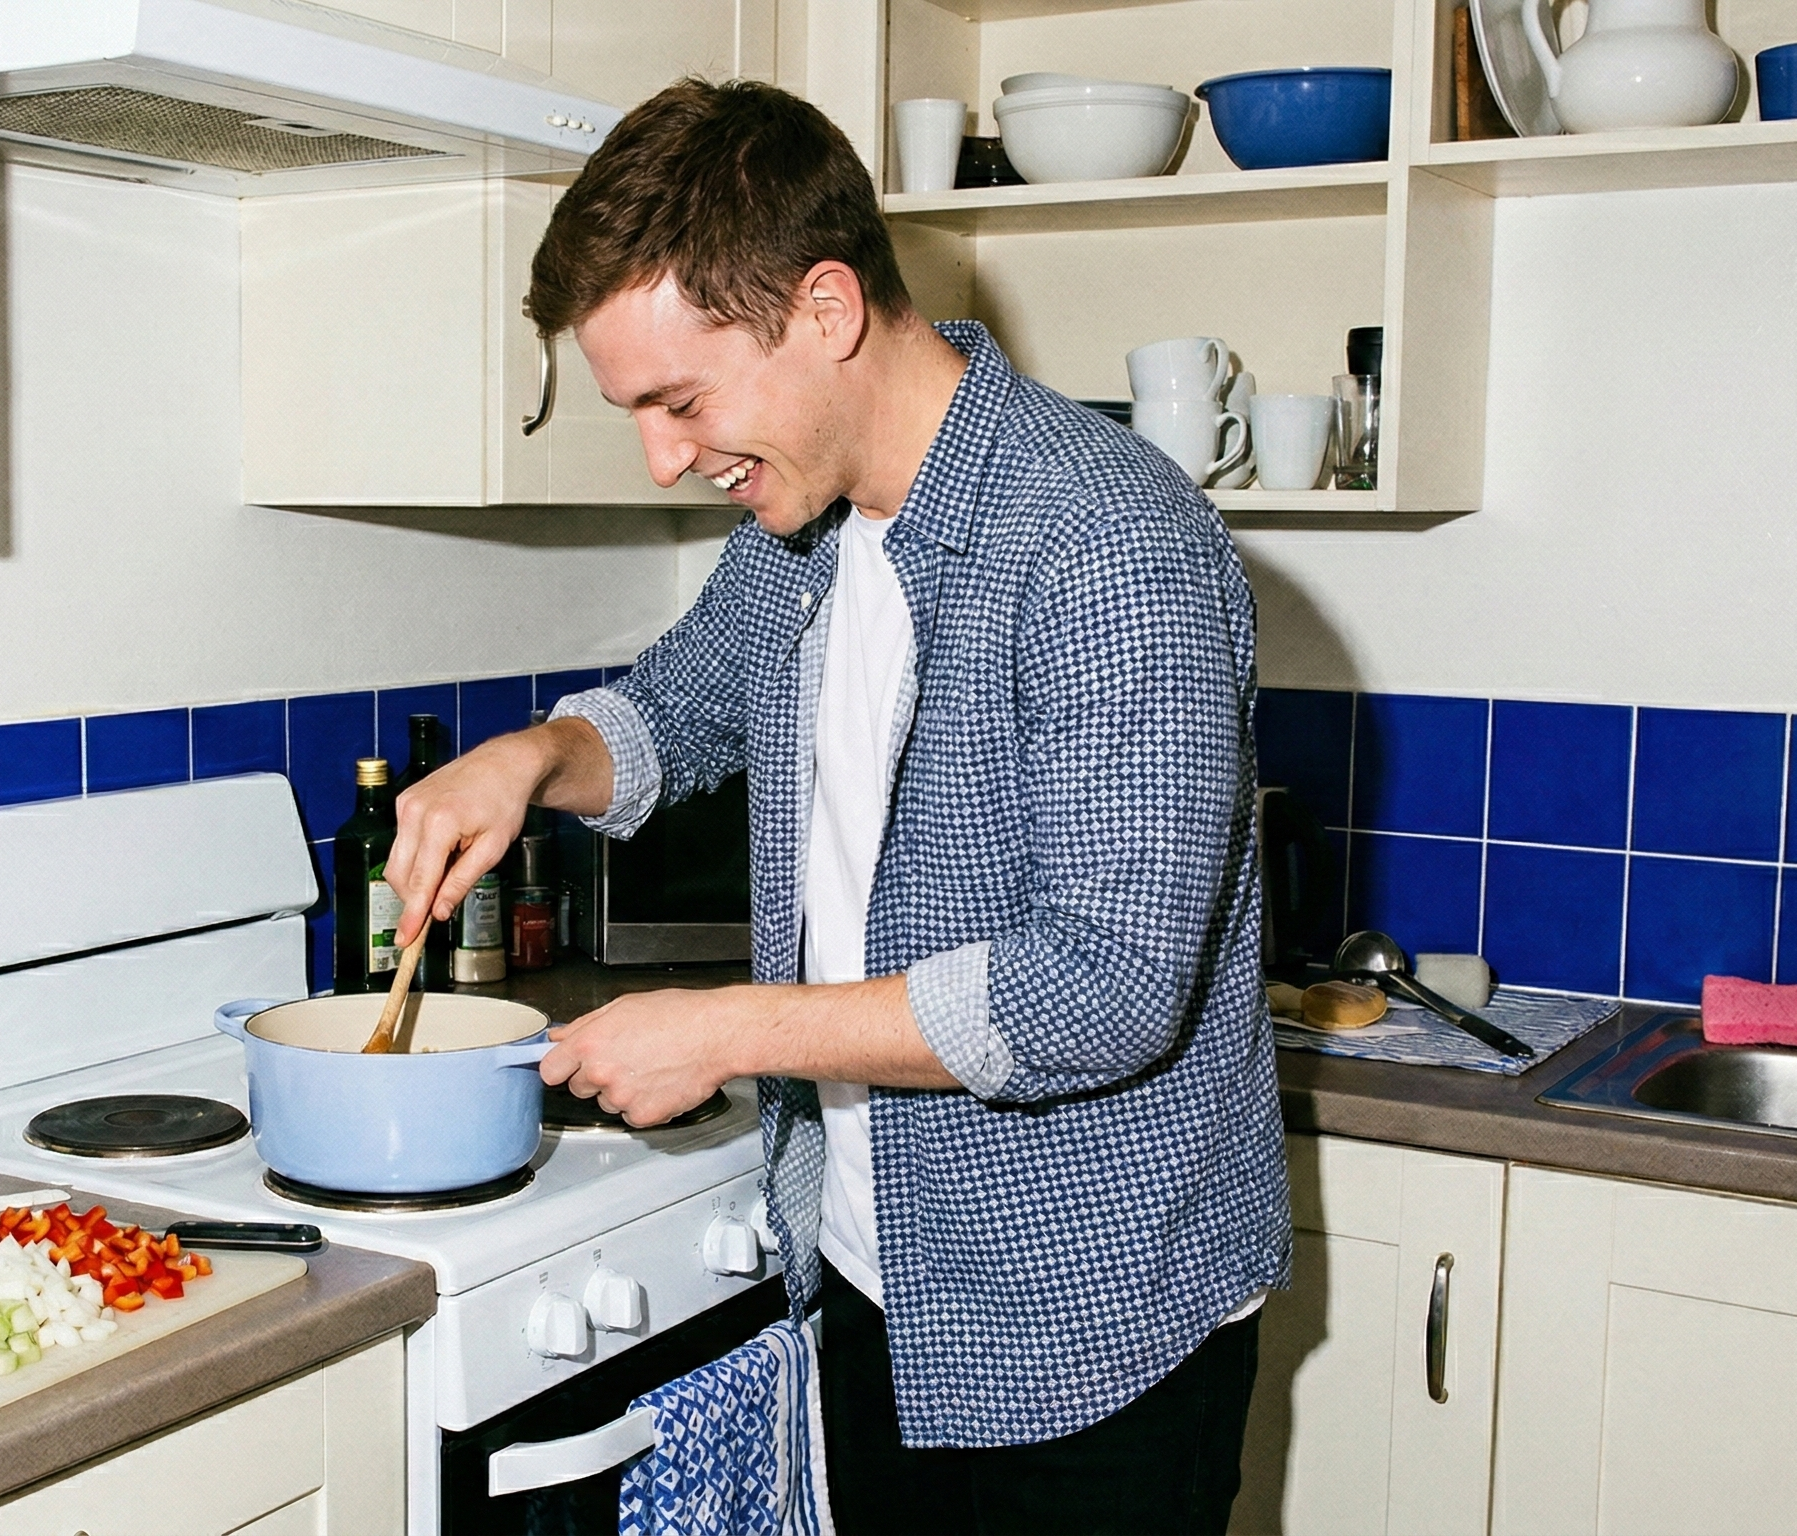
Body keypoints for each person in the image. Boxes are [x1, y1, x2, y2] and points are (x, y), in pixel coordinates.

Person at [383, 77, 1288, 1535]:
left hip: (1090, 1327)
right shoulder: (805, 528)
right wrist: (535, 757)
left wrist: (729, 1025)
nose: (664, 459)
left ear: (824, 309)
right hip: (879, 1270)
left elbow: (1105, 992)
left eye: (681, 401)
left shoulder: (1110, 544)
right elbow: (677, 707)